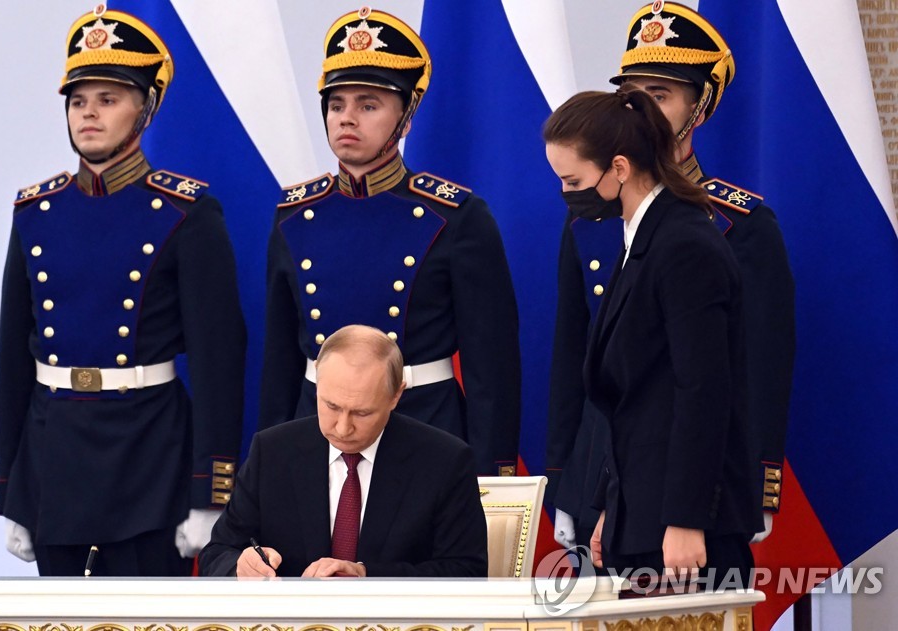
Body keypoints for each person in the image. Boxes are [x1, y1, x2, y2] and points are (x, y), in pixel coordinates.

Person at [0, 6, 246, 576]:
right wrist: (11, 485)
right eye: (79, 100)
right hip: (53, 457)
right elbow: (14, 358)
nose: (89, 113)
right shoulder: (36, 212)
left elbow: (218, 358)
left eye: (109, 99)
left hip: (150, 456)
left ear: (146, 109)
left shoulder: (186, 213)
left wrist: (210, 491)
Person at [546, 1, 794, 551]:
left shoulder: (736, 225)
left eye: (661, 97)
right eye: (635, 97)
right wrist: (565, 478)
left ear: (699, 107)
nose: (645, 115)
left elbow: (752, 372)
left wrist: (759, 483)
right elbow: (572, 357)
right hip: (606, 475)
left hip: (690, 481)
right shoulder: (589, 213)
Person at [259, 8, 521, 477]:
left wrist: (490, 477)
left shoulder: (455, 217)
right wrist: (267, 468)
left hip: (424, 429)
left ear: (406, 118)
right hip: (317, 434)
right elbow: (279, 366)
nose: (347, 118)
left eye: (368, 104)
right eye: (336, 105)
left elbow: (492, 371)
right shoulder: (295, 216)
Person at [543, 87, 762, 584]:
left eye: (573, 180)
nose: (566, 194)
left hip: (684, 530)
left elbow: (702, 392)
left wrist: (685, 520)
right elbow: (634, 403)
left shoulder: (683, 243)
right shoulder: (641, 237)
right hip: (640, 516)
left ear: (619, 168)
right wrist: (609, 509)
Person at [200, 325, 488, 578]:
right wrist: (241, 564)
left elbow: (466, 571)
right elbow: (217, 553)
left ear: (396, 395)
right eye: (331, 406)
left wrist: (365, 574)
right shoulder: (272, 451)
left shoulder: (444, 461)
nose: (342, 427)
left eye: (362, 413)